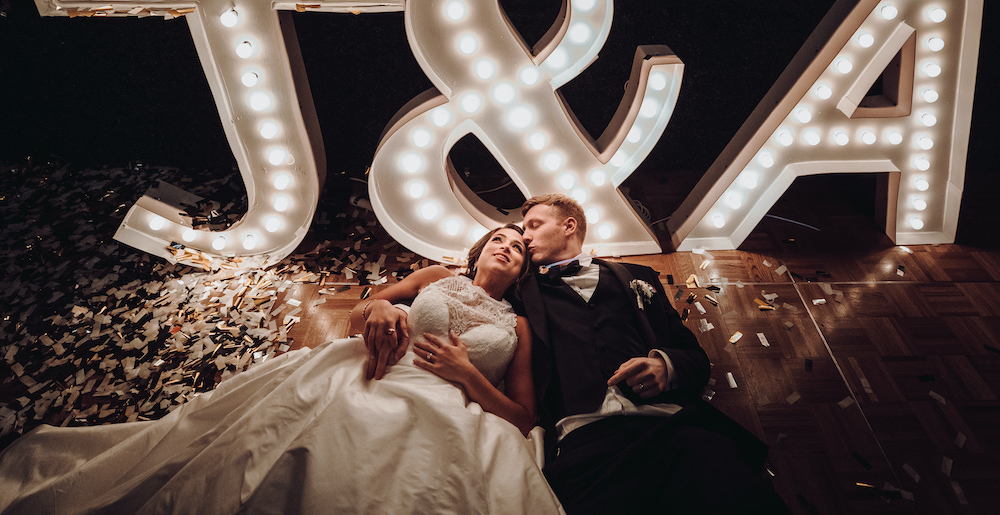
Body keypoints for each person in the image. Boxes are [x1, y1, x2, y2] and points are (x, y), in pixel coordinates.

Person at [0, 225, 564, 514]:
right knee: (327, 435)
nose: (506, 246)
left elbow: (522, 417)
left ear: (523, 270)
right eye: (497, 238)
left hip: (451, 407)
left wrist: (468, 375)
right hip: (378, 372)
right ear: (477, 251)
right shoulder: (435, 275)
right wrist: (384, 306)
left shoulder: (514, 328)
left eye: (517, 245)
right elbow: (359, 314)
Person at [518, 194, 789, 514]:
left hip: (676, 432)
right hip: (584, 451)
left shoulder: (638, 278)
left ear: (569, 225)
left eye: (534, 225)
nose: (525, 236)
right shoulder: (522, 289)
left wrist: (666, 366)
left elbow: (696, 359)